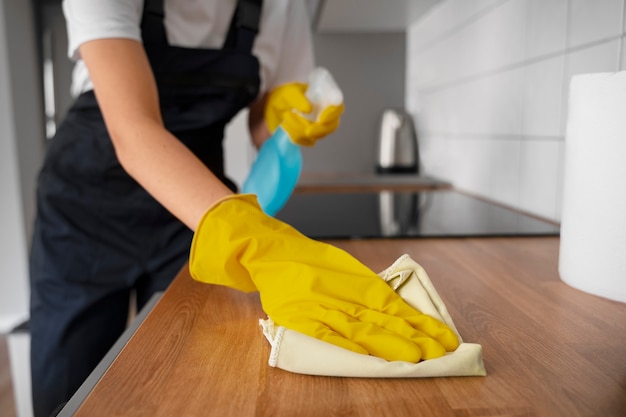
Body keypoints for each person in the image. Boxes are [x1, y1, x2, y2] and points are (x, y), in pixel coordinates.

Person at [29, 1, 460, 416]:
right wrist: (260, 242)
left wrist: (279, 116)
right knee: (68, 389)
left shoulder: (280, 6)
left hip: (193, 215)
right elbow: (132, 128)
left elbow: (259, 127)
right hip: (86, 215)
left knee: (192, 373)